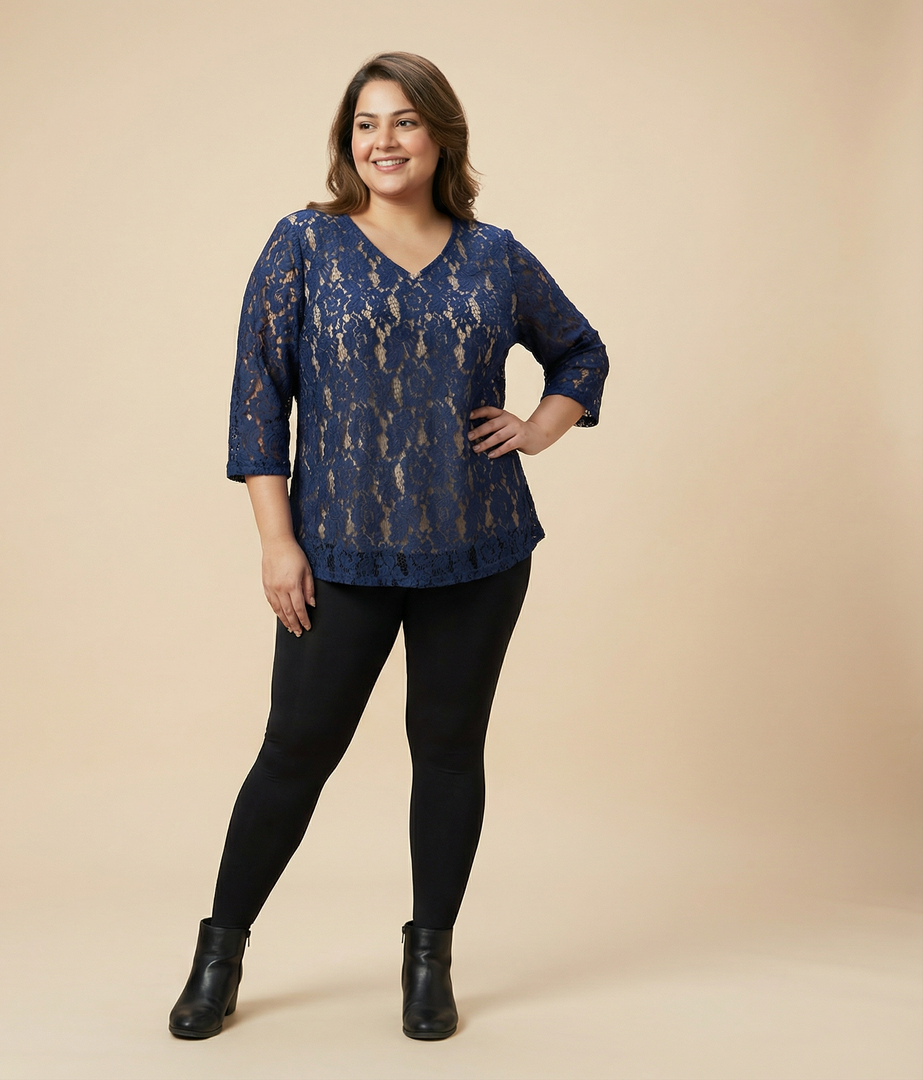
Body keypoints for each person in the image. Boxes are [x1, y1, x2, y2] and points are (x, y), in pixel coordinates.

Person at [169, 51, 608, 1042]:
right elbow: (257, 397)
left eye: (405, 121)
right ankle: (218, 954)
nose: (384, 141)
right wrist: (277, 542)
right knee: (295, 752)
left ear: (440, 136)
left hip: (480, 549)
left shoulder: (495, 256)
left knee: (448, 752)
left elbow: (581, 351)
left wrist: (540, 427)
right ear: (346, 141)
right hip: (336, 554)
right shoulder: (305, 243)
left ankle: (428, 961)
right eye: (366, 123)